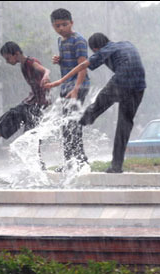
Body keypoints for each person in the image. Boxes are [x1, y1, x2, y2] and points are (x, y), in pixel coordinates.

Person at [45, 32, 146, 173]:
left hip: (120, 82)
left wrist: (61, 81)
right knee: (124, 126)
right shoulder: (126, 44)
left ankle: (76, 126)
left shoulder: (104, 50)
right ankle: (116, 166)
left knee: (93, 110)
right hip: (139, 87)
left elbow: (82, 66)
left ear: (95, 49)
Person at [50, 8, 90, 171]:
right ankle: (71, 161)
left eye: (64, 25)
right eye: (57, 26)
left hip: (77, 87)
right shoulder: (61, 41)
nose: (61, 28)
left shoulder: (78, 40)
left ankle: (79, 161)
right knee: (66, 125)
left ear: (71, 23)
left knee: (72, 124)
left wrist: (76, 89)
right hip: (66, 87)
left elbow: (82, 67)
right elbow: (71, 63)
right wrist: (59, 60)